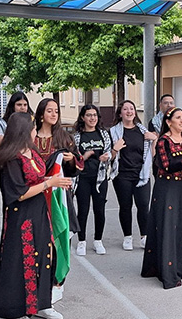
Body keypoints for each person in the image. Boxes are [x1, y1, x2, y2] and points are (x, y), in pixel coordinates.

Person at [0, 112, 71, 319]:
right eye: (32, 128)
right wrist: (50, 183)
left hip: (39, 212)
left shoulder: (32, 152)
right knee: (22, 261)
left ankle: (42, 303)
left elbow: (39, 177)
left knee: (45, 255)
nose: (34, 131)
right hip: (22, 218)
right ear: (23, 131)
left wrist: (56, 179)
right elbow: (18, 193)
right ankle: (17, 307)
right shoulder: (12, 159)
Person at [141, 107, 182, 289]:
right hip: (167, 188)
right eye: (178, 118)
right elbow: (166, 165)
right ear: (169, 122)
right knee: (168, 226)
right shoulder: (163, 141)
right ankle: (167, 270)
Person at [34, 98, 84, 304]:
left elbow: (79, 163)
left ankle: (58, 282)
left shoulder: (64, 137)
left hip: (59, 196)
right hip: (36, 195)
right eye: (49, 111)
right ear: (41, 114)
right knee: (40, 239)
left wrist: (71, 161)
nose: (54, 115)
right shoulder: (31, 137)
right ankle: (39, 282)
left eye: (56, 111)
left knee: (61, 236)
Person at [110, 100, 156, 250]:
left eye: (131, 109)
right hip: (122, 175)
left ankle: (144, 236)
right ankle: (127, 237)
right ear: (120, 113)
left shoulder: (143, 131)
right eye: (125, 109)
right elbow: (108, 156)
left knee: (143, 205)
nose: (129, 111)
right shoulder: (114, 132)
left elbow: (152, 154)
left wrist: (154, 139)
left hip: (142, 174)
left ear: (135, 112)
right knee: (125, 206)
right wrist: (115, 149)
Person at [73, 104, 112, 256]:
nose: (92, 118)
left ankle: (98, 240)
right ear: (82, 117)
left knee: (99, 210)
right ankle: (81, 241)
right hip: (82, 178)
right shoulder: (77, 136)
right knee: (83, 210)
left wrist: (106, 156)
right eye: (89, 115)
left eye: (94, 115)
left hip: (100, 177)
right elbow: (74, 158)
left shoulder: (103, 134)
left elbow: (109, 152)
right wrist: (85, 156)